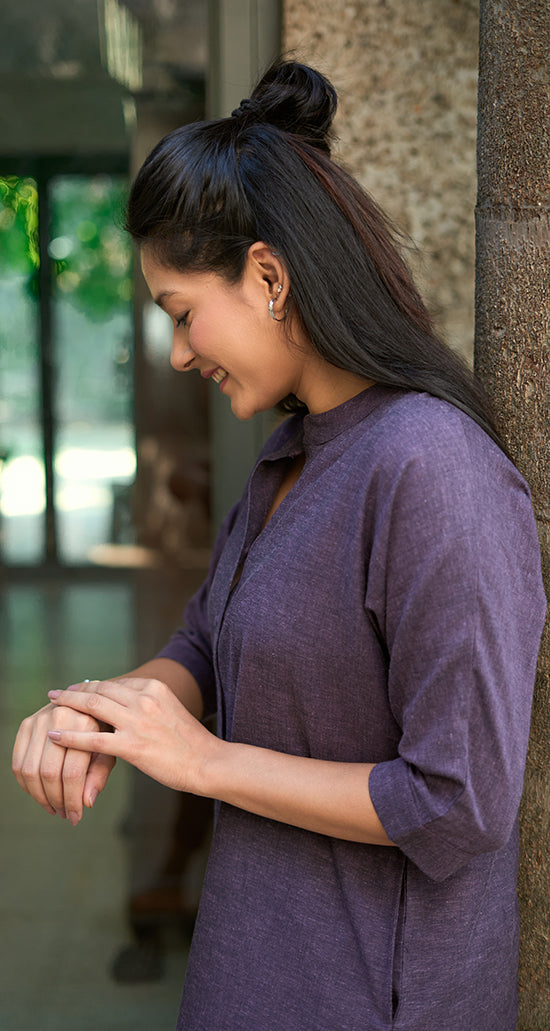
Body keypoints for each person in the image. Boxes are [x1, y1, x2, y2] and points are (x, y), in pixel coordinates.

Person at [12, 61, 546, 1031]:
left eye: (181, 312)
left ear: (266, 274)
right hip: (252, 969)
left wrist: (205, 761)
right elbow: (206, 647)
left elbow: (457, 800)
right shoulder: (287, 456)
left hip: (372, 997)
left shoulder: (433, 471)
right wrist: (95, 713)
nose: (177, 351)